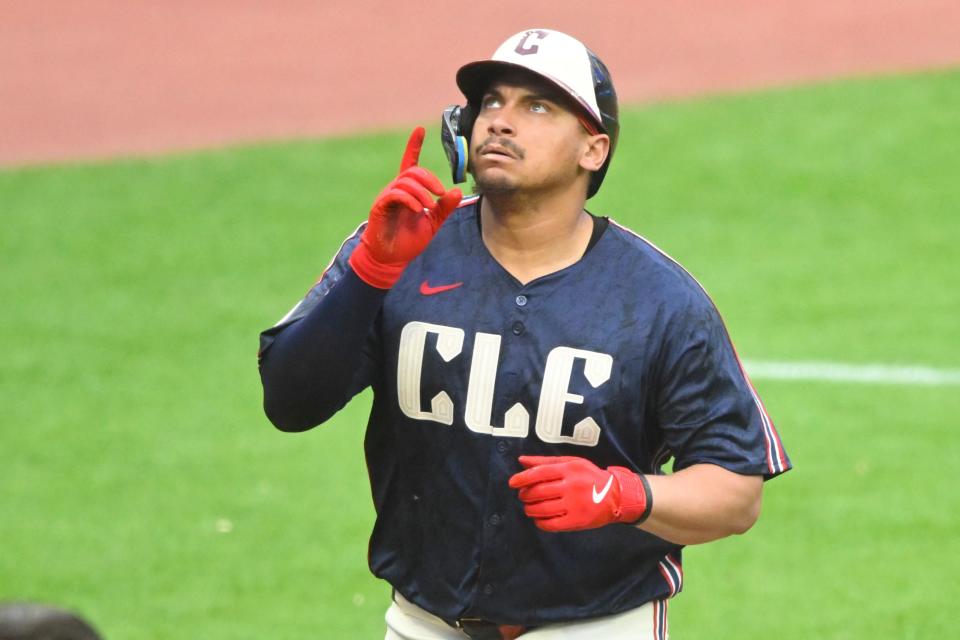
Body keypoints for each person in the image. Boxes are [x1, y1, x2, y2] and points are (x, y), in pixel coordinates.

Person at [258, 28, 791, 640]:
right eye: (491, 102)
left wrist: (624, 496)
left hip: (593, 627)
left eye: (537, 106)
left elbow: (735, 494)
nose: (500, 122)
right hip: (421, 623)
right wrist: (371, 274)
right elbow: (289, 405)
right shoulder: (400, 248)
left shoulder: (659, 300)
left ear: (593, 150)